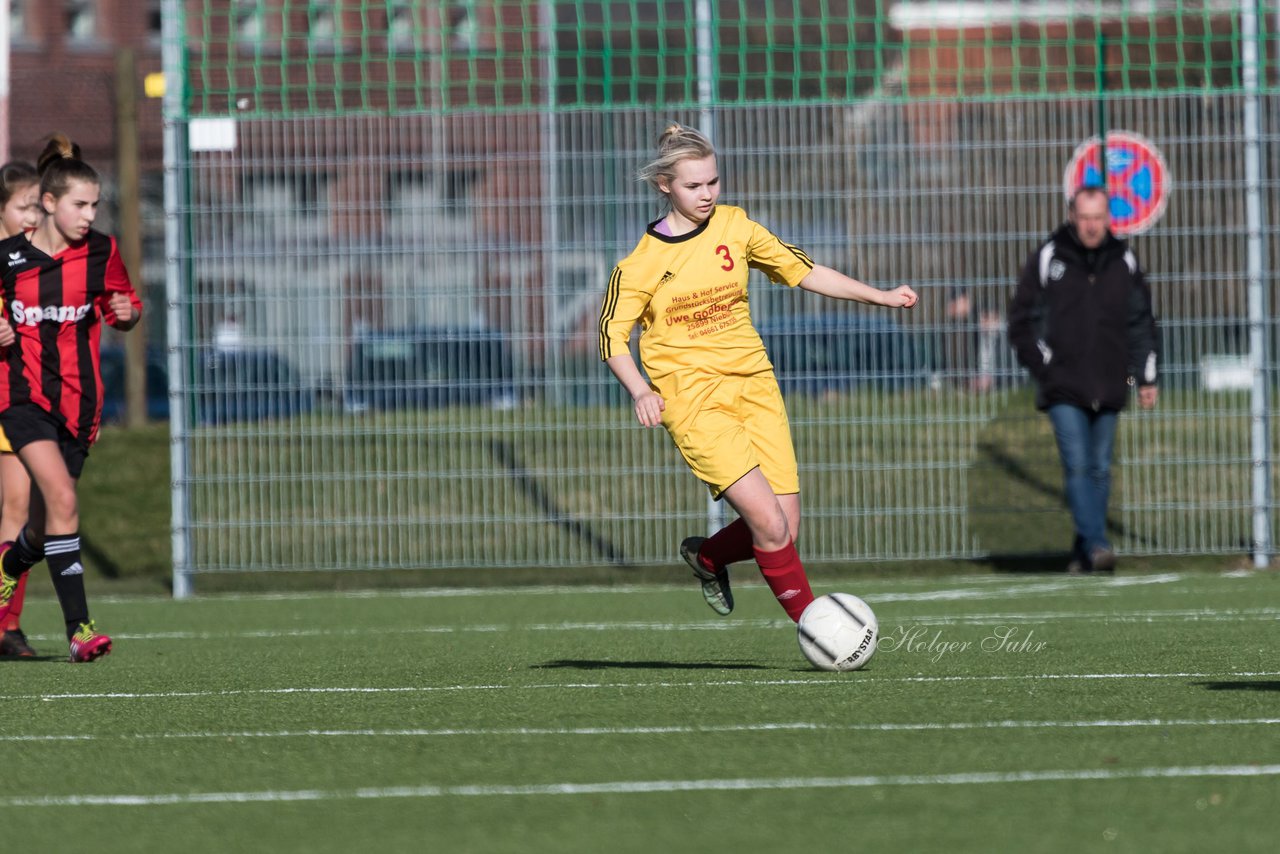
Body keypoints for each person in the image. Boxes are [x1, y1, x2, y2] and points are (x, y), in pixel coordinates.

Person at [598, 124, 917, 622]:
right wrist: (640, 390)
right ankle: (819, 626)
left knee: (784, 528)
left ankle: (707, 557)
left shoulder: (736, 227)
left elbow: (804, 271)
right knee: (768, 524)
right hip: (695, 403)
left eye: (713, 182)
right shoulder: (638, 265)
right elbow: (612, 338)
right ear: (665, 185)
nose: (706, 195)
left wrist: (879, 295)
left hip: (755, 386)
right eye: (692, 186)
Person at [0, 134, 143, 662]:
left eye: (95, 205)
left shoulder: (101, 251)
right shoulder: (8, 257)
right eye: (80, 205)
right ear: (49, 203)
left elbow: (120, 308)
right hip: (23, 400)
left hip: (79, 409)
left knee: (41, 526)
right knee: (62, 500)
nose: (89, 215)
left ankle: (11, 565)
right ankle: (80, 631)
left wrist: (128, 316)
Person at [1007, 184, 1158, 574]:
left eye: (1099, 218)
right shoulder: (1049, 256)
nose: (1092, 226)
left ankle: (1082, 551)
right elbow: (1020, 322)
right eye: (1085, 217)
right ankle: (1096, 544)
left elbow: (1140, 320)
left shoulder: (1123, 259)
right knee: (1077, 465)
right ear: (1072, 215)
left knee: (1099, 468)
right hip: (1062, 385)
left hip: (1109, 382)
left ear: (1109, 218)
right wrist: (1046, 366)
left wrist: (1145, 376)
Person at [0, 161, 42, 657]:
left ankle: (7, 624)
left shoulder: (39, 263)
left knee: (19, 508)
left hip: (18, 399)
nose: (32, 214)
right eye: (22, 206)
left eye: (38, 205)